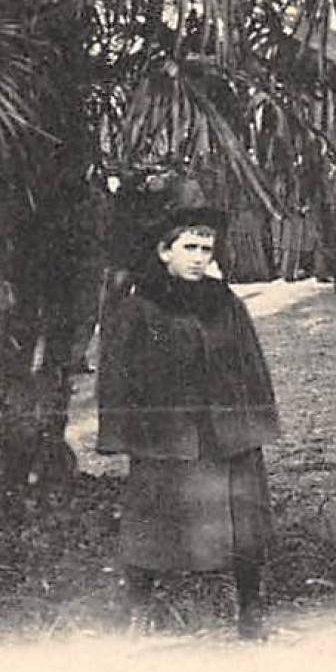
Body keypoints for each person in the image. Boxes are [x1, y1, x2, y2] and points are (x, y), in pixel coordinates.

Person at [97, 206, 281, 640]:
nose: (199, 257)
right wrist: (126, 433)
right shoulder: (139, 308)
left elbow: (250, 364)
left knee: (242, 523)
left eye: (206, 248)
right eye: (189, 248)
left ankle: (250, 612)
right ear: (164, 252)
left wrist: (252, 423)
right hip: (167, 437)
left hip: (226, 435)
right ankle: (140, 610)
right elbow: (118, 374)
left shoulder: (225, 303)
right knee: (152, 524)